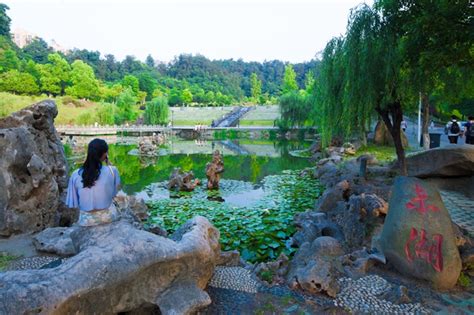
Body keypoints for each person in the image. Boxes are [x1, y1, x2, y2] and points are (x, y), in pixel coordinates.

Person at [66, 138, 121, 226]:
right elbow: (114, 193)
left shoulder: (75, 174)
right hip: (108, 218)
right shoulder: (112, 171)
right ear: (105, 154)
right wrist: (109, 165)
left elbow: (74, 202)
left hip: (86, 221)